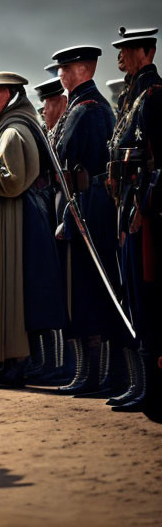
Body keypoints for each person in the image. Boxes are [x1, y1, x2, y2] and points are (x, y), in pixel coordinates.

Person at [0, 72, 66, 386]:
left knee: (10, 298)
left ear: (9, 93)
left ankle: (14, 365)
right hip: (1, 219)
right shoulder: (2, 129)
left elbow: (11, 181)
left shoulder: (15, 130)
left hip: (12, 220)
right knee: (0, 296)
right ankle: (2, 364)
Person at [46, 45, 118, 395]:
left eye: (66, 68)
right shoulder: (80, 106)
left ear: (83, 69)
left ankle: (93, 374)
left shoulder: (89, 109)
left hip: (87, 209)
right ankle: (89, 373)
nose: (60, 73)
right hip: (81, 206)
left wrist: (68, 217)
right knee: (79, 292)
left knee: (87, 293)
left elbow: (81, 169)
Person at [107, 26, 161, 418]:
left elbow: (158, 164)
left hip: (146, 216)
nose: (120, 56)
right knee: (133, 301)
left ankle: (152, 392)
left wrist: (143, 206)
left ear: (147, 52)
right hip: (127, 211)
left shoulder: (155, 96)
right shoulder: (133, 96)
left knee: (147, 303)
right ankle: (139, 386)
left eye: (126, 49)